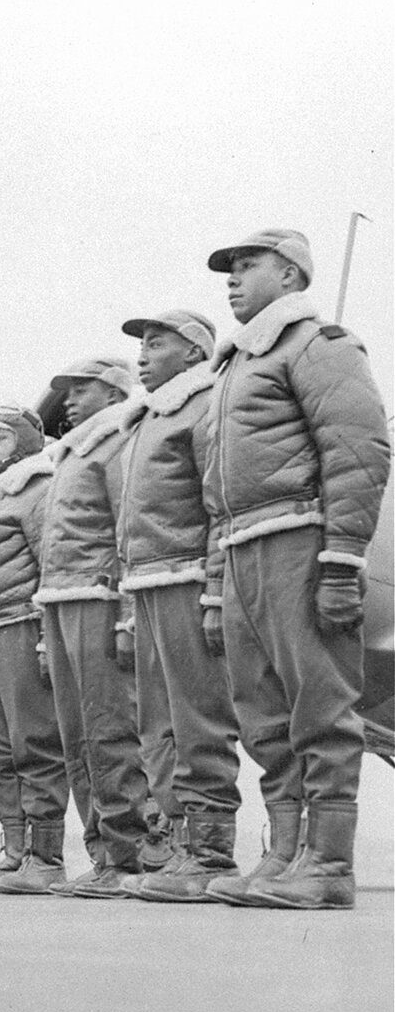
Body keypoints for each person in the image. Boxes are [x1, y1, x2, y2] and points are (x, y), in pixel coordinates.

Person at [201, 228, 390, 909]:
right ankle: (284, 853)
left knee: (321, 705)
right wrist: (217, 582)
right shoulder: (234, 371)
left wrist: (341, 561)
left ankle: (330, 865)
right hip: (242, 549)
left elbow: (359, 451)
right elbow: (215, 490)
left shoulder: (319, 344)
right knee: (262, 715)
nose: (231, 277)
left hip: (299, 542)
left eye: (247, 265)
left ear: (289, 275)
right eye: (229, 267)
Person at [114, 309, 244, 903]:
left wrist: (216, 590)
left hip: (187, 579)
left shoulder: (203, 406)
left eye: (157, 343)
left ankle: (211, 848)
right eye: (141, 344)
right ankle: (177, 840)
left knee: (198, 720)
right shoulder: (147, 419)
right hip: (146, 583)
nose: (143, 354)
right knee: (157, 726)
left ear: (194, 353)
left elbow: (220, 505)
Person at [36, 357, 151, 899]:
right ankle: (102, 854)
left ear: (113, 394)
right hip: (61, 596)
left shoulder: (116, 443)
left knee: (109, 728)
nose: (70, 399)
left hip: (99, 594)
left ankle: (129, 854)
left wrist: (127, 612)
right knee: (76, 736)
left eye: (83, 388)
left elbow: (128, 526)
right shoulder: (72, 453)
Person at [0, 403, 72, 894]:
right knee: (3, 750)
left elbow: (51, 562)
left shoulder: (38, 491)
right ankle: (14, 851)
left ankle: (45, 857)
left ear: (28, 441)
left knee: (35, 743)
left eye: (0, 437)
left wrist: (49, 637)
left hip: (22, 625)